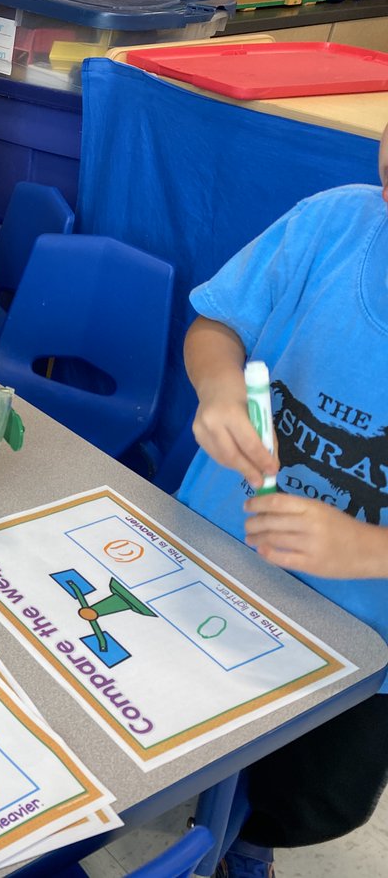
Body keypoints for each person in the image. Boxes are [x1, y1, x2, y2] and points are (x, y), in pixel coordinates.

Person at [178, 122, 388, 878]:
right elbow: (216, 324)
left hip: (354, 644)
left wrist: (366, 549)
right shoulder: (334, 219)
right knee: (180, 740)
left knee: (299, 794)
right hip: (215, 565)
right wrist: (219, 383)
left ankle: (246, 844)